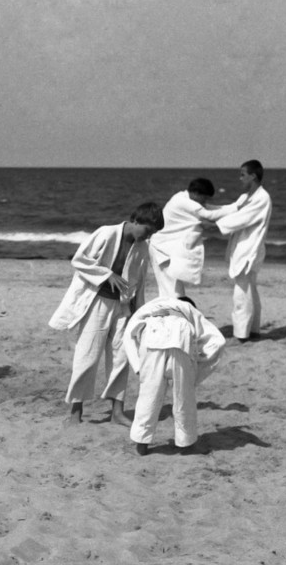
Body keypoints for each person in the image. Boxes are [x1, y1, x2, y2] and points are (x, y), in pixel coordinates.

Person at [48, 202, 165, 427]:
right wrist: (106, 274)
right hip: (97, 302)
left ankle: (117, 411)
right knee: (87, 356)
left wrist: (138, 313)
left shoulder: (142, 248)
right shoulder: (106, 233)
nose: (148, 236)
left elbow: (139, 283)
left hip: (123, 307)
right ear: (137, 221)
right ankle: (76, 411)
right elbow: (79, 259)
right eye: (148, 230)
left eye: (152, 234)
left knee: (122, 358)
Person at [124, 296, 226, 456]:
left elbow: (129, 334)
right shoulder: (189, 309)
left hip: (152, 335)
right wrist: (197, 364)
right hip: (182, 337)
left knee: (148, 396)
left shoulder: (152, 305)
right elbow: (218, 341)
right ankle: (186, 444)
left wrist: (138, 366)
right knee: (184, 397)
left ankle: (141, 444)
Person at [149, 177, 239, 298]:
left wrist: (235, 207)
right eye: (205, 198)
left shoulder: (186, 199)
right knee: (171, 289)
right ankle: (171, 313)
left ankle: (171, 313)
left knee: (171, 288)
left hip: (166, 248)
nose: (205, 202)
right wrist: (237, 207)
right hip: (161, 249)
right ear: (196, 193)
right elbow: (209, 214)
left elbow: (209, 208)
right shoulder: (182, 201)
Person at [215, 160, 272, 342]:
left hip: (250, 249)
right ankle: (253, 330)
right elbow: (230, 210)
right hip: (243, 248)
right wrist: (204, 211)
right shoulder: (245, 196)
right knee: (249, 290)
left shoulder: (262, 198)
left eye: (242, 174)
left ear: (253, 175)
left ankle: (242, 335)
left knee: (241, 292)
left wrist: (211, 224)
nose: (240, 178)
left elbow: (240, 218)